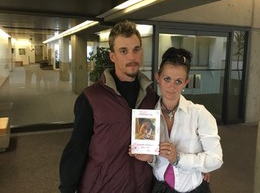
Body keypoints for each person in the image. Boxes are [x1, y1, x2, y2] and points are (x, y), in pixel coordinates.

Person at [59, 20, 158, 193]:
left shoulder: (151, 97)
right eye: (123, 51)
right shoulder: (91, 98)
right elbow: (77, 147)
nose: (132, 57)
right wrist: (67, 188)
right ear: (112, 56)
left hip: (142, 186)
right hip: (103, 187)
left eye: (136, 49)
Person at [132, 47, 223, 193]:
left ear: (186, 82)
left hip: (193, 188)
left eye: (178, 81)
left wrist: (179, 158)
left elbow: (216, 159)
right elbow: (158, 162)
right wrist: (150, 158)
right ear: (158, 78)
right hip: (161, 188)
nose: (171, 87)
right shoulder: (148, 117)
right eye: (167, 79)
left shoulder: (199, 114)